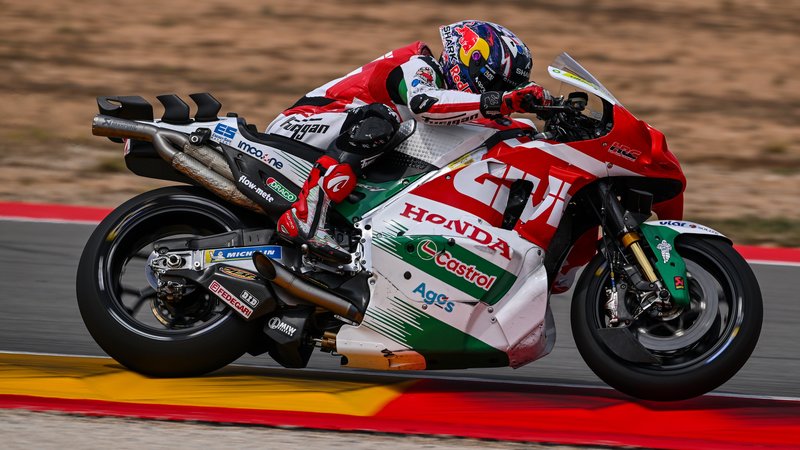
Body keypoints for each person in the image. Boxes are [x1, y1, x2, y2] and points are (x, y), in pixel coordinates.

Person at [266, 20, 552, 264]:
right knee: (382, 118)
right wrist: (501, 101)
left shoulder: (451, 95)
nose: (500, 92)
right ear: (472, 60)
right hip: (302, 124)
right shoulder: (420, 65)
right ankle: (306, 217)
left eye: (509, 88)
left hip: (337, 137)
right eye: (498, 85)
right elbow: (425, 104)